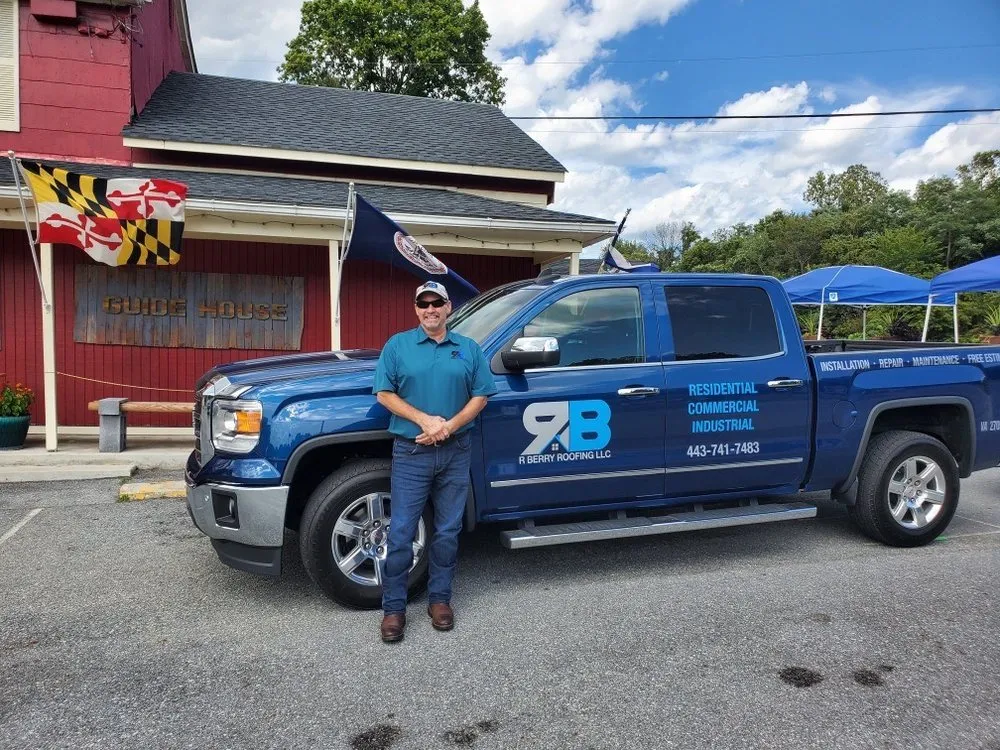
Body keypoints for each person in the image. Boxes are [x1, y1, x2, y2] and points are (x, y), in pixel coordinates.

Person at [372, 280, 497, 643]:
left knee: (446, 531)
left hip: (456, 450)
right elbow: (384, 393)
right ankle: (394, 608)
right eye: (423, 303)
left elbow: (482, 396)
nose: (430, 309)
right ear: (416, 309)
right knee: (400, 533)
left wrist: (449, 426)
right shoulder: (398, 346)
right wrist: (426, 422)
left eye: (436, 303)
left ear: (448, 307)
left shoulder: (468, 349)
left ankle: (440, 600)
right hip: (411, 452)